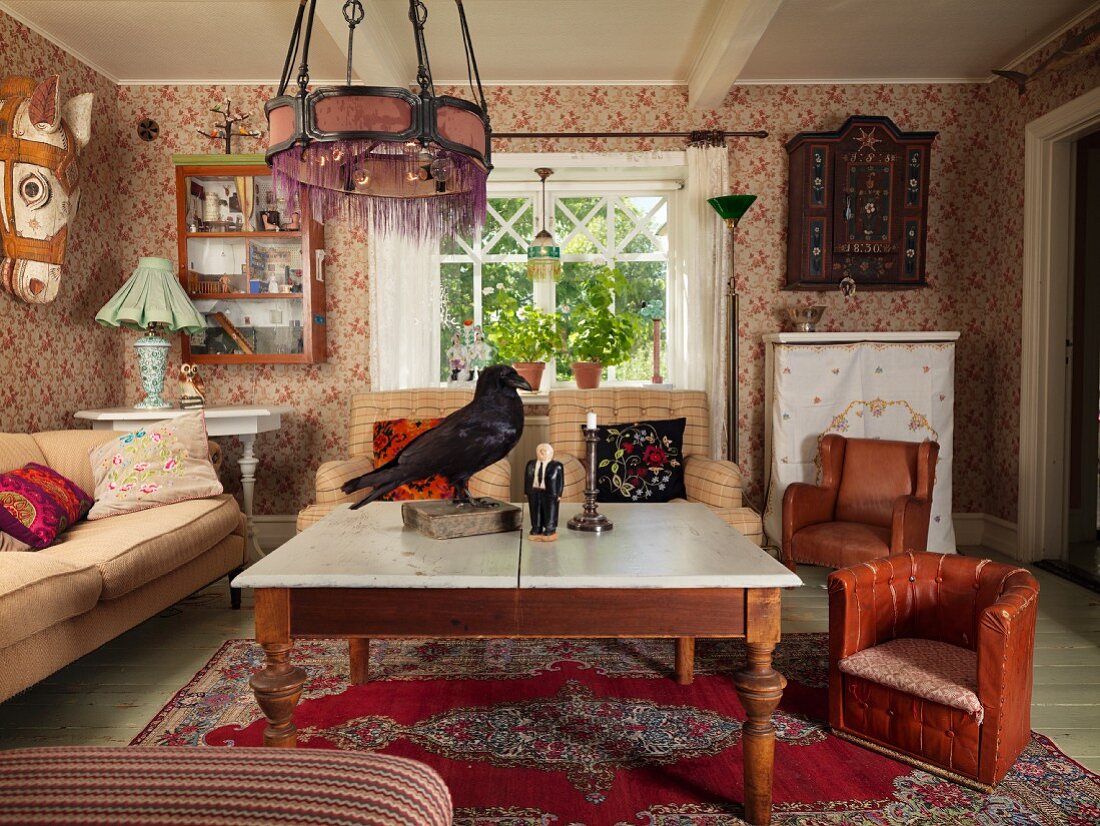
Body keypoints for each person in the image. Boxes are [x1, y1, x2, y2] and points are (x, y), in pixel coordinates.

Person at [524, 442, 564, 541]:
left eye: (544, 451)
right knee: (535, 510)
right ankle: (536, 527)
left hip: (550, 492)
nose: (542, 453)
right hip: (534, 491)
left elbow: (561, 481)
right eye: (540, 451)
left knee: (550, 510)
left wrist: (559, 494)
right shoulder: (530, 464)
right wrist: (526, 491)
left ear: (550, 453)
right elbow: (526, 477)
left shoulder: (557, 466)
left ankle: (550, 528)